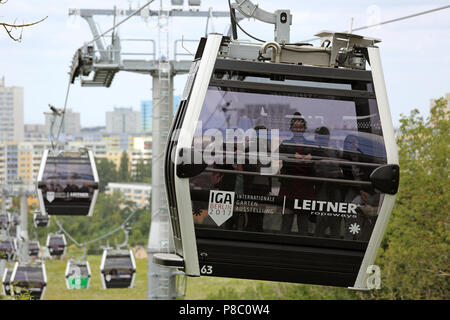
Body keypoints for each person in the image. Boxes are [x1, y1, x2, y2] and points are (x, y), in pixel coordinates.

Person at [278, 112, 315, 235]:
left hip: (305, 187)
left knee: (303, 223)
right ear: (291, 129)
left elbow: (321, 155)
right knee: (286, 222)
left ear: (304, 129)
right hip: (289, 186)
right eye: (295, 127)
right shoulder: (286, 144)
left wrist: (312, 157)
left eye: (300, 127)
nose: (298, 130)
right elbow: (280, 152)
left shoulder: (311, 145)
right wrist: (292, 156)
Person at [312, 126, 343, 238]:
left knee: (334, 217)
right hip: (322, 187)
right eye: (320, 138)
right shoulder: (315, 151)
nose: (321, 140)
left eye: (323, 138)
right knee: (322, 217)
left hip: (333, 186)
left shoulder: (334, 151)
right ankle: (319, 239)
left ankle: (334, 239)